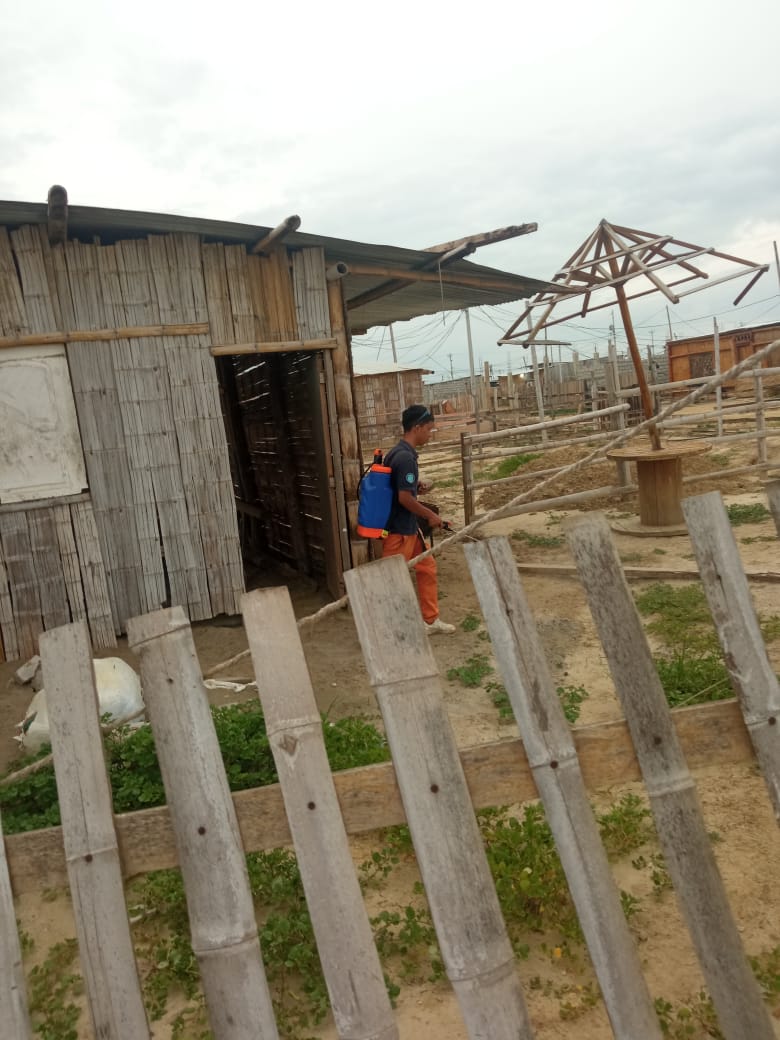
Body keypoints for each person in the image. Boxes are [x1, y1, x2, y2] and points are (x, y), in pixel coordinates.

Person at [380, 404, 455, 635]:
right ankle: (387, 628)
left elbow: (401, 489)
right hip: (398, 531)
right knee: (392, 580)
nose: (430, 435)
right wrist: (431, 515)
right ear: (417, 427)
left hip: (409, 528)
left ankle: (430, 621)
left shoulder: (397, 452)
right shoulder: (405, 458)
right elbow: (404, 498)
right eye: (429, 429)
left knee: (427, 567)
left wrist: (415, 488)